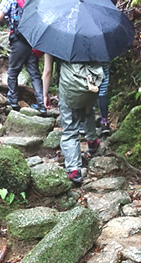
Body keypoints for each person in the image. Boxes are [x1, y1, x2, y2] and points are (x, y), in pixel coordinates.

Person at [42, 54, 102, 184]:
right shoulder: (91, 36)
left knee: (70, 128)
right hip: (88, 85)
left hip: (68, 88)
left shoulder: (54, 40)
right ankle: (92, 141)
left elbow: (47, 71)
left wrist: (45, 94)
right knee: (88, 110)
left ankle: (74, 169)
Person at [0, 0, 46, 113]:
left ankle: (13, 99)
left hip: (19, 41)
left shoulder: (10, 0)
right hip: (32, 40)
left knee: (13, 72)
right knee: (34, 74)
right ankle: (42, 104)